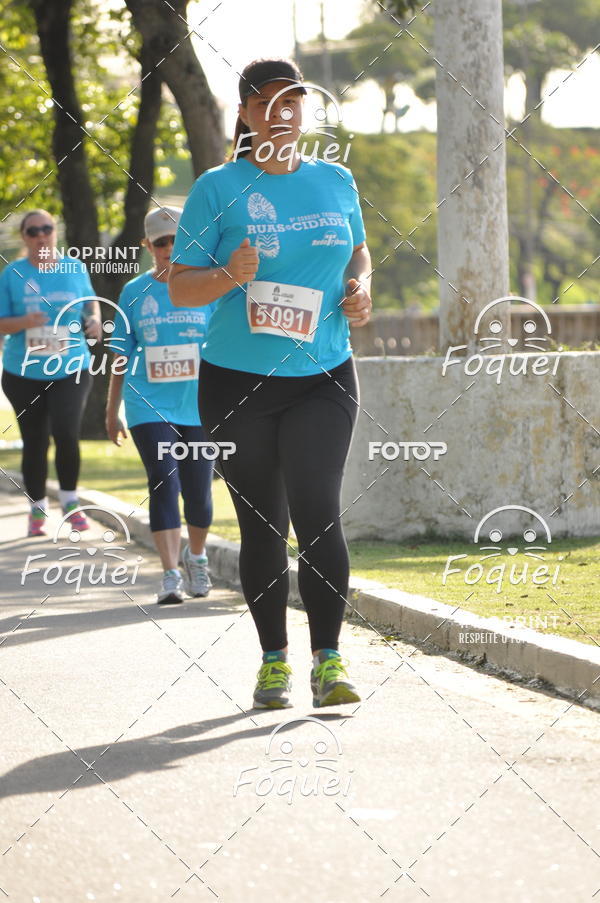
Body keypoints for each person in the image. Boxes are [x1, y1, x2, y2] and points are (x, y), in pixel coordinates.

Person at [169, 59, 373, 709]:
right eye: (272, 102)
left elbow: (358, 250)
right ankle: (274, 662)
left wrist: (361, 285)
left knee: (318, 510)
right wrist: (229, 274)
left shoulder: (336, 180)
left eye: (297, 101)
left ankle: (330, 659)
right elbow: (180, 284)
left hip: (323, 374)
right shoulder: (217, 188)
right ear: (248, 113)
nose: (286, 112)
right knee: (264, 527)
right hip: (238, 385)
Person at [105, 207, 214, 605]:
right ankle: (170, 574)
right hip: (147, 403)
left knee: (199, 491)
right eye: (161, 241)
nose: (170, 247)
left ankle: (196, 558)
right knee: (164, 481)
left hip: (200, 406)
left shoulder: (208, 287)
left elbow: (225, 345)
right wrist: (111, 410)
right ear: (148, 245)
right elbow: (120, 355)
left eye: (177, 239)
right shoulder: (134, 292)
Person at [0, 209, 100, 537]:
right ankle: (37, 508)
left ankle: (70, 503)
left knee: (67, 432)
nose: (41, 235)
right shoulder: (13, 274)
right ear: (25, 238)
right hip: (23, 371)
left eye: (47, 228)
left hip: (71, 366)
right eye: (33, 231)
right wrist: (24, 323)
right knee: (35, 441)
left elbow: (90, 305)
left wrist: (95, 321)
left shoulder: (74, 267)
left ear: (55, 232)